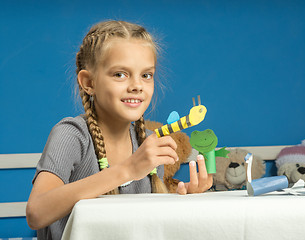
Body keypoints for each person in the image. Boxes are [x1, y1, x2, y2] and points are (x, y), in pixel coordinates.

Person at [26, 20, 213, 240]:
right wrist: (128, 169)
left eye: (146, 75)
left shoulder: (148, 141)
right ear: (89, 82)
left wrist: (184, 200)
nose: (137, 85)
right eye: (120, 74)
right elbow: (36, 213)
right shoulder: (72, 135)